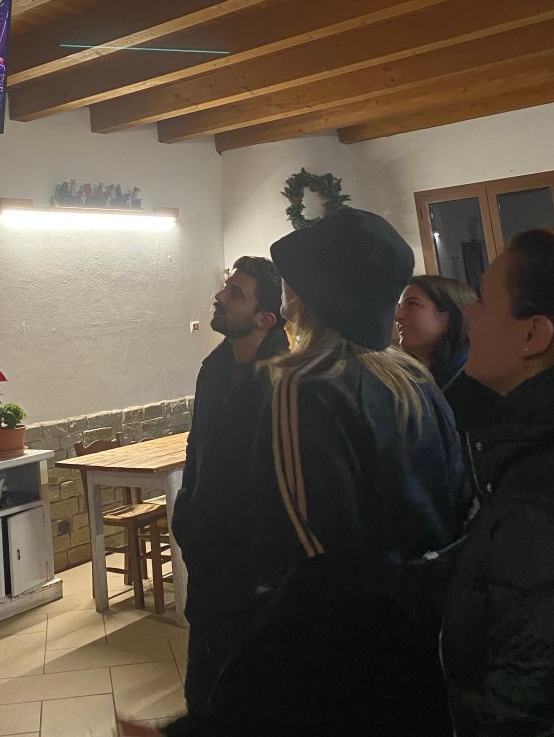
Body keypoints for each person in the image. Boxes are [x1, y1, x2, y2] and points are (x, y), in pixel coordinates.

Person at [133, 208, 466, 737]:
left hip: (341, 653)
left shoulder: (305, 385)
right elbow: (454, 509)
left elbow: (311, 565)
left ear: (315, 294)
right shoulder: (415, 379)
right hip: (420, 637)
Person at [441, 226, 554, 735]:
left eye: (484, 299)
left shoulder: (542, 503)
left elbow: (529, 712)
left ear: (533, 335)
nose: (469, 314)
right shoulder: (530, 451)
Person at [171, 256, 288, 719]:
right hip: (209, 558)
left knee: (254, 697)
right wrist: (187, 515)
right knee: (204, 687)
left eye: (235, 294)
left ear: (265, 319)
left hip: (259, 569)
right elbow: (197, 446)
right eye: (226, 287)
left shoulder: (286, 381)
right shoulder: (214, 367)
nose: (219, 297)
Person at [396, 275, 496, 434]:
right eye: (399, 306)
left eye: (413, 304)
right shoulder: (412, 380)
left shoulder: (483, 382)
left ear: (450, 316)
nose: (398, 317)